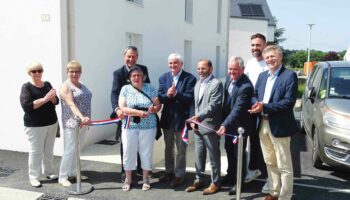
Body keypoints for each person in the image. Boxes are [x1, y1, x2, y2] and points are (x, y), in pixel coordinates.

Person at [248, 45, 297, 200]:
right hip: (262, 123)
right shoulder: (263, 76)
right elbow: (254, 95)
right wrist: (256, 104)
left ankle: (285, 196)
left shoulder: (289, 76)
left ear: (280, 57)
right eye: (267, 57)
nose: (270, 59)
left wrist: (265, 106)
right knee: (270, 161)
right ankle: (274, 192)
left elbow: (288, 102)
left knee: (284, 164)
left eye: (273, 56)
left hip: (279, 125)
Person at [118, 67, 161, 191]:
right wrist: (138, 112)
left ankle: (146, 179)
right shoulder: (125, 89)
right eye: (133, 76)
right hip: (130, 126)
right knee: (128, 151)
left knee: (146, 151)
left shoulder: (150, 88)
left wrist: (154, 109)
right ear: (129, 78)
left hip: (148, 126)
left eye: (138, 75)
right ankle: (128, 179)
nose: (136, 78)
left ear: (143, 77)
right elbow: (122, 107)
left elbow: (157, 104)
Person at [111, 46, 150, 182]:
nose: (131, 59)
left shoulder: (143, 69)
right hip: (125, 115)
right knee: (126, 145)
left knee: (141, 143)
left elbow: (147, 89)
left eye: (134, 56)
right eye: (129, 56)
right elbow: (114, 93)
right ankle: (126, 171)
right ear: (124, 57)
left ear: (137, 57)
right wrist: (117, 109)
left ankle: (139, 169)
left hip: (141, 114)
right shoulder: (118, 73)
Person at [158, 53, 196, 187]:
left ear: (181, 64)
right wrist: (167, 95)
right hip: (168, 119)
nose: (172, 65)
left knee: (181, 149)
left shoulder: (190, 78)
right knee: (168, 148)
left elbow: (189, 98)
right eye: (170, 63)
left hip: (181, 120)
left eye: (175, 63)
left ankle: (179, 175)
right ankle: (169, 172)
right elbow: (160, 98)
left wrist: (176, 94)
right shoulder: (163, 77)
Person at [217, 56, 254, 196]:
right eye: (230, 69)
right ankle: (231, 175)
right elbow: (226, 104)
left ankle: (240, 183)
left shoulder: (246, 86)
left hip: (240, 127)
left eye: (235, 69)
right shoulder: (229, 79)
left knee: (239, 154)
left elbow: (237, 109)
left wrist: (224, 124)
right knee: (229, 150)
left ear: (242, 69)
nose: (232, 72)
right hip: (229, 125)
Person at [185, 59, 223, 195]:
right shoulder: (197, 84)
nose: (200, 71)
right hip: (197, 126)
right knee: (198, 154)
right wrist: (193, 120)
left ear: (211, 69)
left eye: (203, 68)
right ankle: (199, 179)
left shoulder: (216, 84)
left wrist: (198, 117)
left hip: (210, 126)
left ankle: (215, 182)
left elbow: (214, 104)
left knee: (213, 156)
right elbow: (195, 105)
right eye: (199, 68)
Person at [20, 62, 59, 187]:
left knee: (48, 150)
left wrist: (52, 97)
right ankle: (34, 177)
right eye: (34, 71)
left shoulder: (47, 84)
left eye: (39, 70)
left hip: (51, 123)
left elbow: (56, 101)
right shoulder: (26, 87)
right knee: (36, 152)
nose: (37, 73)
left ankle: (48, 172)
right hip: (35, 125)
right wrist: (46, 99)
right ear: (29, 73)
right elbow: (28, 106)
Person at [58, 60, 92, 187]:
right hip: (72, 122)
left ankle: (73, 172)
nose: (74, 74)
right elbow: (71, 104)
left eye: (77, 71)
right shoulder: (65, 86)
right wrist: (81, 117)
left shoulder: (81, 84)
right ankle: (62, 176)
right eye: (71, 71)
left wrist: (85, 119)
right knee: (70, 149)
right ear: (67, 72)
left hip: (83, 122)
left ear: (80, 72)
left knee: (78, 148)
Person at [244, 33, 269, 193]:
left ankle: (270, 178)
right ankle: (253, 169)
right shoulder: (250, 63)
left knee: (266, 145)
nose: (255, 48)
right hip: (250, 109)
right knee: (252, 142)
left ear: (265, 45)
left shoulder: (269, 63)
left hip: (265, 110)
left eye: (258, 45)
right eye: (253, 45)